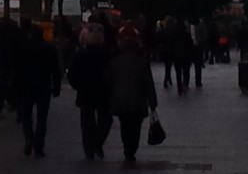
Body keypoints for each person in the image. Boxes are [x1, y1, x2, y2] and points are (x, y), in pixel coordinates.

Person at [106, 35, 158, 164]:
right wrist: (152, 102)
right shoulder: (142, 62)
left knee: (124, 125)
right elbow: (148, 83)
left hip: (120, 100)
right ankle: (132, 149)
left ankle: (127, 147)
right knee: (136, 127)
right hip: (138, 100)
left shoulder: (115, 62)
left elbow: (107, 81)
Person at [68, 23, 112, 160]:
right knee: (105, 119)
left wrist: (77, 85)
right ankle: (98, 142)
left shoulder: (80, 55)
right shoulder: (106, 55)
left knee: (87, 121)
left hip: (85, 91)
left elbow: (72, 73)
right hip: (103, 92)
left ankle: (89, 149)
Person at [16, 24, 60, 159]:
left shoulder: (24, 49)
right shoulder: (49, 49)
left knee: (26, 115)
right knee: (42, 117)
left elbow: (18, 69)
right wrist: (56, 87)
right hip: (44, 85)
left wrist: (15, 87)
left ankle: (29, 137)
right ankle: (39, 146)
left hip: (26, 86)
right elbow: (56, 70)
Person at [173, 21, 194, 96]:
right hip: (186, 55)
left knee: (178, 73)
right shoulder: (187, 35)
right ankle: (185, 85)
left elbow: (172, 45)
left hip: (177, 55)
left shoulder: (174, 35)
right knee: (186, 71)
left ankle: (179, 88)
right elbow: (191, 45)